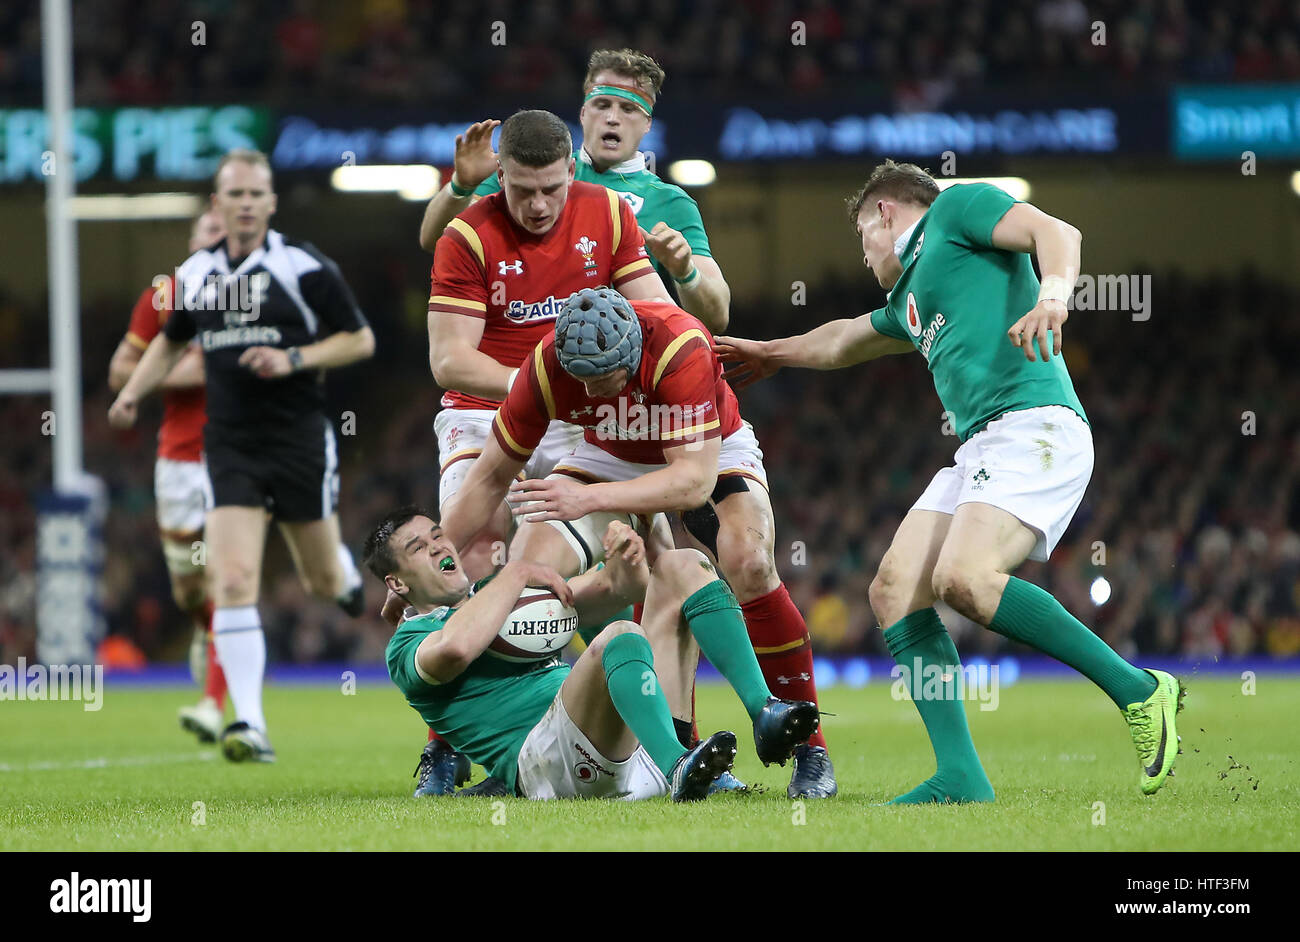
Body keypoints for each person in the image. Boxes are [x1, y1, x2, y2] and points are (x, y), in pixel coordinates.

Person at [715, 159, 1183, 802]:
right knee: (894, 591)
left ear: (885, 212)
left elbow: (1061, 234)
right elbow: (844, 340)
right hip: (984, 445)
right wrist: (769, 352)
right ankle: (961, 775)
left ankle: (1141, 690)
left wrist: (1052, 299)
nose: (863, 255)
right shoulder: (911, 297)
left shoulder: (956, 211)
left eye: (861, 237)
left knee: (965, 581)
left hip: (1035, 426)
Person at [441, 286, 839, 798]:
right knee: (527, 578)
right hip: (610, 455)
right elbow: (488, 479)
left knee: (748, 560)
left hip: (706, 449)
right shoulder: (547, 366)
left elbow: (692, 481)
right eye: (579, 381)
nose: (588, 396)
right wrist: (433, 561)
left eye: (601, 381)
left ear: (631, 359)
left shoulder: (679, 345)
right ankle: (538, 751)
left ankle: (811, 749)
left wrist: (588, 499)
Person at [412, 108, 670, 794]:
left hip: (578, 412)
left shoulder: (609, 213)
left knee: (635, 543)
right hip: (484, 410)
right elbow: (450, 362)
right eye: (522, 189)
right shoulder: (466, 234)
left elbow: (654, 318)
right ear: (500, 176)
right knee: (473, 547)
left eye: (552, 188)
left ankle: (647, 730)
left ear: (570, 171)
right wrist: (542, 387)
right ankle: (448, 741)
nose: (537, 204)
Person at [108, 148, 376, 763]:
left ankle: (338, 570)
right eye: (236, 194)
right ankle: (249, 725)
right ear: (218, 204)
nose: (247, 204)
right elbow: (169, 343)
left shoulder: (302, 266)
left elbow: (360, 338)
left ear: (271, 202)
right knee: (230, 580)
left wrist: (294, 359)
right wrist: (131, 396)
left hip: (298, 439)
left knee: (320, 579)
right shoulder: (196, 273)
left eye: (257, 193)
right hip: (229, 445)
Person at [367, 511, 820, 801]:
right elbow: (456, 648)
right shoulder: (408, 645)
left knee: (683, 564)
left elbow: (617, 589)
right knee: (618, 635)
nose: (440, 547)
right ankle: (678, 766)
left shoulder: (497, 594)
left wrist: (624, 559)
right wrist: (519, 571)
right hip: (549, 765)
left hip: (623, 742)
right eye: (419, 549)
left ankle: (762, 710)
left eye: (438, 535)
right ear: (397, 584)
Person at [418, 49, 730, 333]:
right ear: (583, 114)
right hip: (518, 359)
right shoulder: (533, 171)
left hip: (614, 377)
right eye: (602, 105)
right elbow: (434, 239)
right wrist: (461, 187)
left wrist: (686, 272)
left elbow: (717, 317)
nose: (612, 118)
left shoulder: (670, 203)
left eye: (628, 109)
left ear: (647, 123)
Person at [107, 209, 229, 744]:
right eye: (206, 236)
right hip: (178, 459)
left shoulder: (252, 295)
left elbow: (231, 364)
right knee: (187, 588)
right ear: (189, 246)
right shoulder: (163, 295)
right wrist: (181, 367)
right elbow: (119, 371)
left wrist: (165, 369)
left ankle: (214, 703)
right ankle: (207, 631)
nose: (214, 247)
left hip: (236, 454)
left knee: (228, 576)